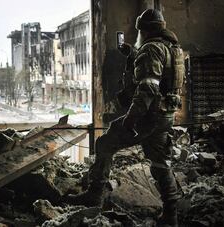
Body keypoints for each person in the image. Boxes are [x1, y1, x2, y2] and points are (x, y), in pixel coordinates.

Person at [66, 9, 184, 227]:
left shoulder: (150, 49)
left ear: (144, 30)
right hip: (165, 115)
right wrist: (132, 55)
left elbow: (148, 87)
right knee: (160, 162)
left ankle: (94, 194)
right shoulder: (172, 48)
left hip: (147, 117)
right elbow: (163, 76)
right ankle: (171, 215)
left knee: (104, 144)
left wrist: (131, 120)